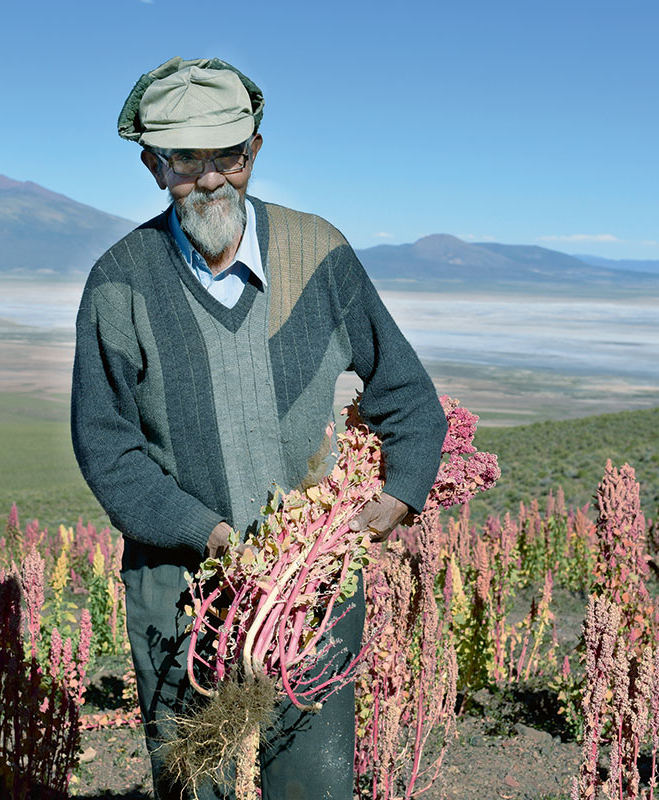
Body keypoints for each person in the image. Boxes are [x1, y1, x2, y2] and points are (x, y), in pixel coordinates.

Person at [71, 56, 445, 800]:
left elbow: (408, 395)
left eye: (229, 155)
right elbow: (107, 447)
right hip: (184, 587)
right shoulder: (121, 280)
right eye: (185, 159)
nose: (210, 178)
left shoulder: (320, 256)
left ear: (257, 152)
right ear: (154, 166)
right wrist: (204, 532)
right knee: (192, 780)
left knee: (313, 782)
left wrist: (399, 494)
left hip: (308, 589)